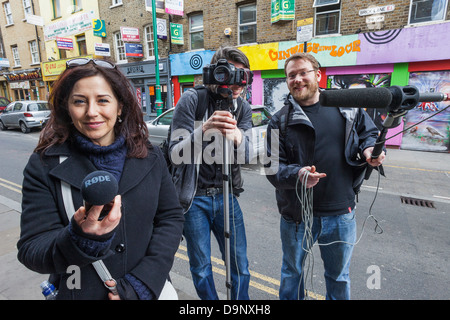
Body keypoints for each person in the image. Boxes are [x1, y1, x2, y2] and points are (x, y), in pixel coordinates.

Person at [17, 58, 184, 300]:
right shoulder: (43, 165)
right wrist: (80, 238)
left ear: (120, 107)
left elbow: (171, 218)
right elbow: (32, 249)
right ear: (67, 108)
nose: (91, 112)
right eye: (79, 101)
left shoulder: (152, 156)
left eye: (103, 100)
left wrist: (142, 285)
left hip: (148, 289)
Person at [264, 53, 386, 300]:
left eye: (303, 72)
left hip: (341, 214)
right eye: (291, 75)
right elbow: (272, 167)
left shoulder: (348, 108)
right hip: (296, 217)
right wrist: (298, 174)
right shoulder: (279, 121)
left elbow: (368, 134)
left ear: (318, 75)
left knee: (338, 277)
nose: (297, 79)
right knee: (292, 274)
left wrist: (369, 150)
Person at [168, 46, 252, 300]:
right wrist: (202, 130)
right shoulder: (193, 99)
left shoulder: (242, 108)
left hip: (227, 196)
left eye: (243, 75)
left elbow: (248, 156)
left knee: (240, 266)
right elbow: (175, 153)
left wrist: (238, 136)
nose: (237, 82)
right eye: (230, 73)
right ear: (215, 73)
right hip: (194, 200)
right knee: (202, 268)